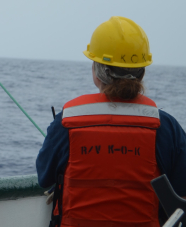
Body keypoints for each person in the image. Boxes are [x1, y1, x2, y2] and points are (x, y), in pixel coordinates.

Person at [36, 16, 186, 226]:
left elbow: (44, 178)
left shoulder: (66, 123)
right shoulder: (167, 128)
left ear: (97, 72)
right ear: (142, 72)